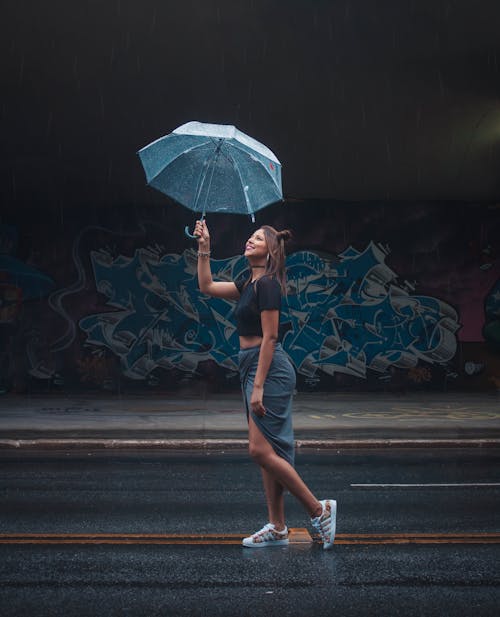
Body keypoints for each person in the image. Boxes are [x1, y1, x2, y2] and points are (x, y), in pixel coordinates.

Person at [195, 219, 337, 549]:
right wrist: (204, 246)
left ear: (270, 251)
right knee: (266, 451)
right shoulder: (249, 283)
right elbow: (207, 287)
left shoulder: (269, 285)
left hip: (268, 368)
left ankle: (319, 509)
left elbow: (271, 338)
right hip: (251, 365)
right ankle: (277, 526)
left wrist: (258, 386)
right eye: (250, 236)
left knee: (259, 449)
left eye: (257, 239)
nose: (249, 241)